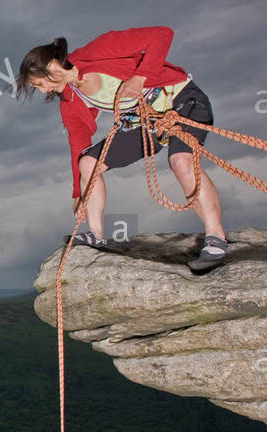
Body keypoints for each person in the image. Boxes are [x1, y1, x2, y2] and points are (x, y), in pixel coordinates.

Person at [14, 26, 227, 268]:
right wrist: (78, 194)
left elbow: (162, 34)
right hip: (147, 123)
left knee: (181, 161)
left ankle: (216, 238)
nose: (43, 91)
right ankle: (95, 234)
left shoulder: (98, 50)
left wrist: (140, 77)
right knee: (88, 163)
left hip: (181, 99)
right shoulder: (70, 100)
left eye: (40, 83)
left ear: (52, 66)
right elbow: (78, 144)